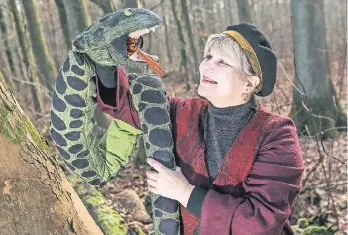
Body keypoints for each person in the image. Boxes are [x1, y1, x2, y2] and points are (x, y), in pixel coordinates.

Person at [96, 23, 304, 235]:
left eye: (222, 62)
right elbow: (125, 104)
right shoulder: (183, 112)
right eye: (208, 57)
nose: (206, 66)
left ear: (249, 85)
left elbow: (259, 223)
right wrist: (107, 60)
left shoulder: (277, 134)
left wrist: (185, 192)